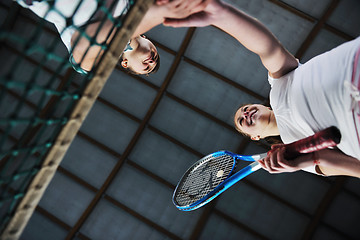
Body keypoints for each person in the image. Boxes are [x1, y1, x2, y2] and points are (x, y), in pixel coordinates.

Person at [164, 0, 360, 178]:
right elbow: (354, 167)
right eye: (242, 120)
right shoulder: (295, 150)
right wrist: (307, 161)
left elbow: (268, 48)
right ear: (255, 137)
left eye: (246, 109)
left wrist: (224, 15)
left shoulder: (279, 86)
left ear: (265, 106)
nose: (246, 113)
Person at [17, 0, 209, 75]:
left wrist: (159, 14)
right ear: (147, 37)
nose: (151, 62)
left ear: (126, 64)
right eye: (156, 58)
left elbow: (83, 43)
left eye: (146, 68)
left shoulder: (97, 64)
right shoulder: (137, 5)